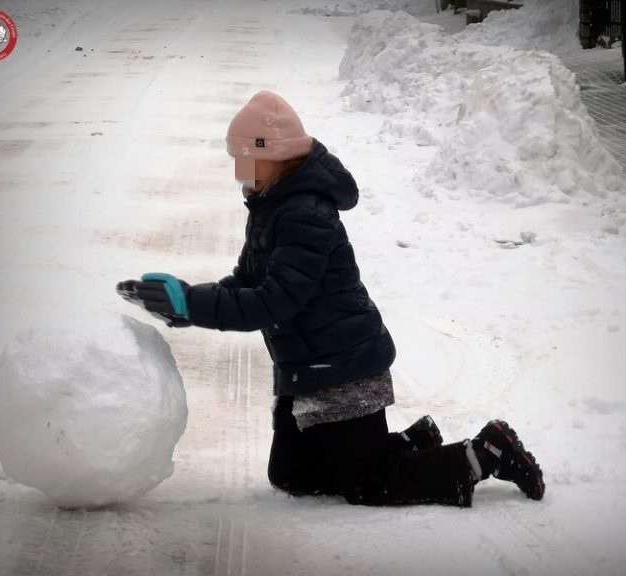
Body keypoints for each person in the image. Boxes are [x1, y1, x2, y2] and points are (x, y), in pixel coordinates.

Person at [117, 90, 545, 507]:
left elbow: (273, 302)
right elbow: (245, 283)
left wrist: (190, 304)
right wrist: (183, 302)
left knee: (369, 484)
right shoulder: (270, 205)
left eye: (245, 158)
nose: (240, 171)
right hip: (308, 368)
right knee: (292, 475)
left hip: (342, 367)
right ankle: (414, 444)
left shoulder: (304, 213)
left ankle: (487, 452)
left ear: (274, 155)